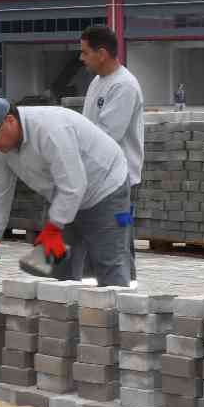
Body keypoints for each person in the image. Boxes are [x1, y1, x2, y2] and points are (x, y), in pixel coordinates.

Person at [0, 95, 131, 286]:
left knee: (108, 261)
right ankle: (65, 312)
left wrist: (54, 227)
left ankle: (120, 313)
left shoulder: (50, 130)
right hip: (64, 193)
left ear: (10, 121)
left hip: (105, 185)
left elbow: (74, 185)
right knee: (61, 265)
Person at [79, 24, 145, 275]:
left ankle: (126, 297)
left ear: (102, 53)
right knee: (99, 244)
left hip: (122, 183)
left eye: (85, 52)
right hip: (98, 179)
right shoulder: (98, 81)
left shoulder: (124, 86)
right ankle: (101, 298)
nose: (81, 58)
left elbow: (106, 137)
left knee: (119, 241)